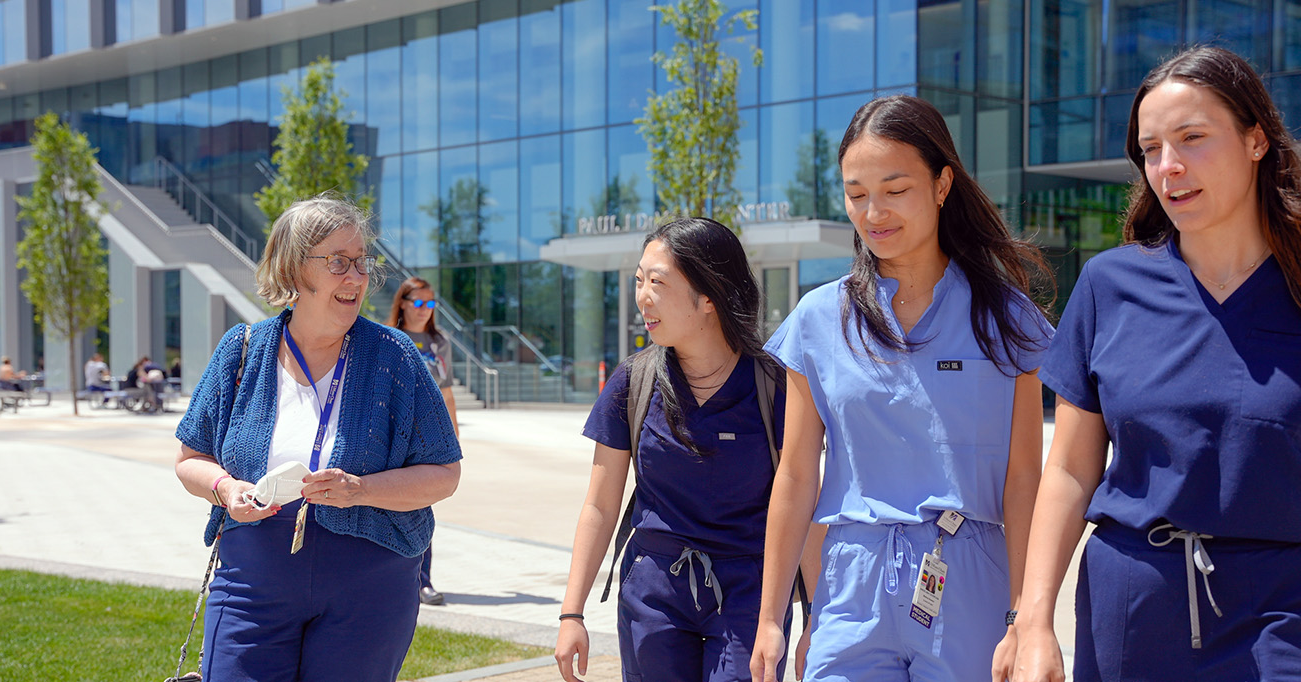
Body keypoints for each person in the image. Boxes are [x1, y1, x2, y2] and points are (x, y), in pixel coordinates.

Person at [1013, 46, 1301, 682]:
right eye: (1150, 149)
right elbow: (1068, 468)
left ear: (1256, 140)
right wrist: (1031, 620)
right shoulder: (1108, 285)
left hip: (1281, 611)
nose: (1168, 168)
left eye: (1192, 139)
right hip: (1134, 609)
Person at [749, 94, 1055, 682]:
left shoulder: (1006, 318)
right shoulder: (818, 319)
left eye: (894, 190)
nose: (873, 212)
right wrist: (772, 616)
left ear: (942, 185)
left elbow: (1025, 480)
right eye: (856, 194)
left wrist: (1024, 615)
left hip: (970, 584)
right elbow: (795, 474)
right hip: (851, 585)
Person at [173, 194, 462, 682]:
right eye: (338, 262)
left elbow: (445, 474)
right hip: (251, 579)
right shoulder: (242, 349)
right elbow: (190, 457)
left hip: (369, 585)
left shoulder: (396, 357)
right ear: (291, 270)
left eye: (361, 262)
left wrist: (362, 490)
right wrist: (226, 489)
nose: (356, 277)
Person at [555, 217, 791, 682]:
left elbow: (801, 499)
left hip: (749, 591)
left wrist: (812, 622)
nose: (642, 296)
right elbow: (600, 506)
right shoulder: (633, 380)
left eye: (657, 282)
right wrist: (572, 613)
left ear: (709, 296)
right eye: (639, 280)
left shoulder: (774, 386)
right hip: (653, 591)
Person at [387, 276, 459, 606]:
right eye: (418, 303)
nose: (424, 311)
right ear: (402, 302)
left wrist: (453, 436)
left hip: (427, 439)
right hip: (390, 434)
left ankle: (422, 580)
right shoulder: (387, 339)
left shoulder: (438, 342)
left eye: (430, 304)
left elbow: (446, 393)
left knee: (420, 505)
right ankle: (390, 575)